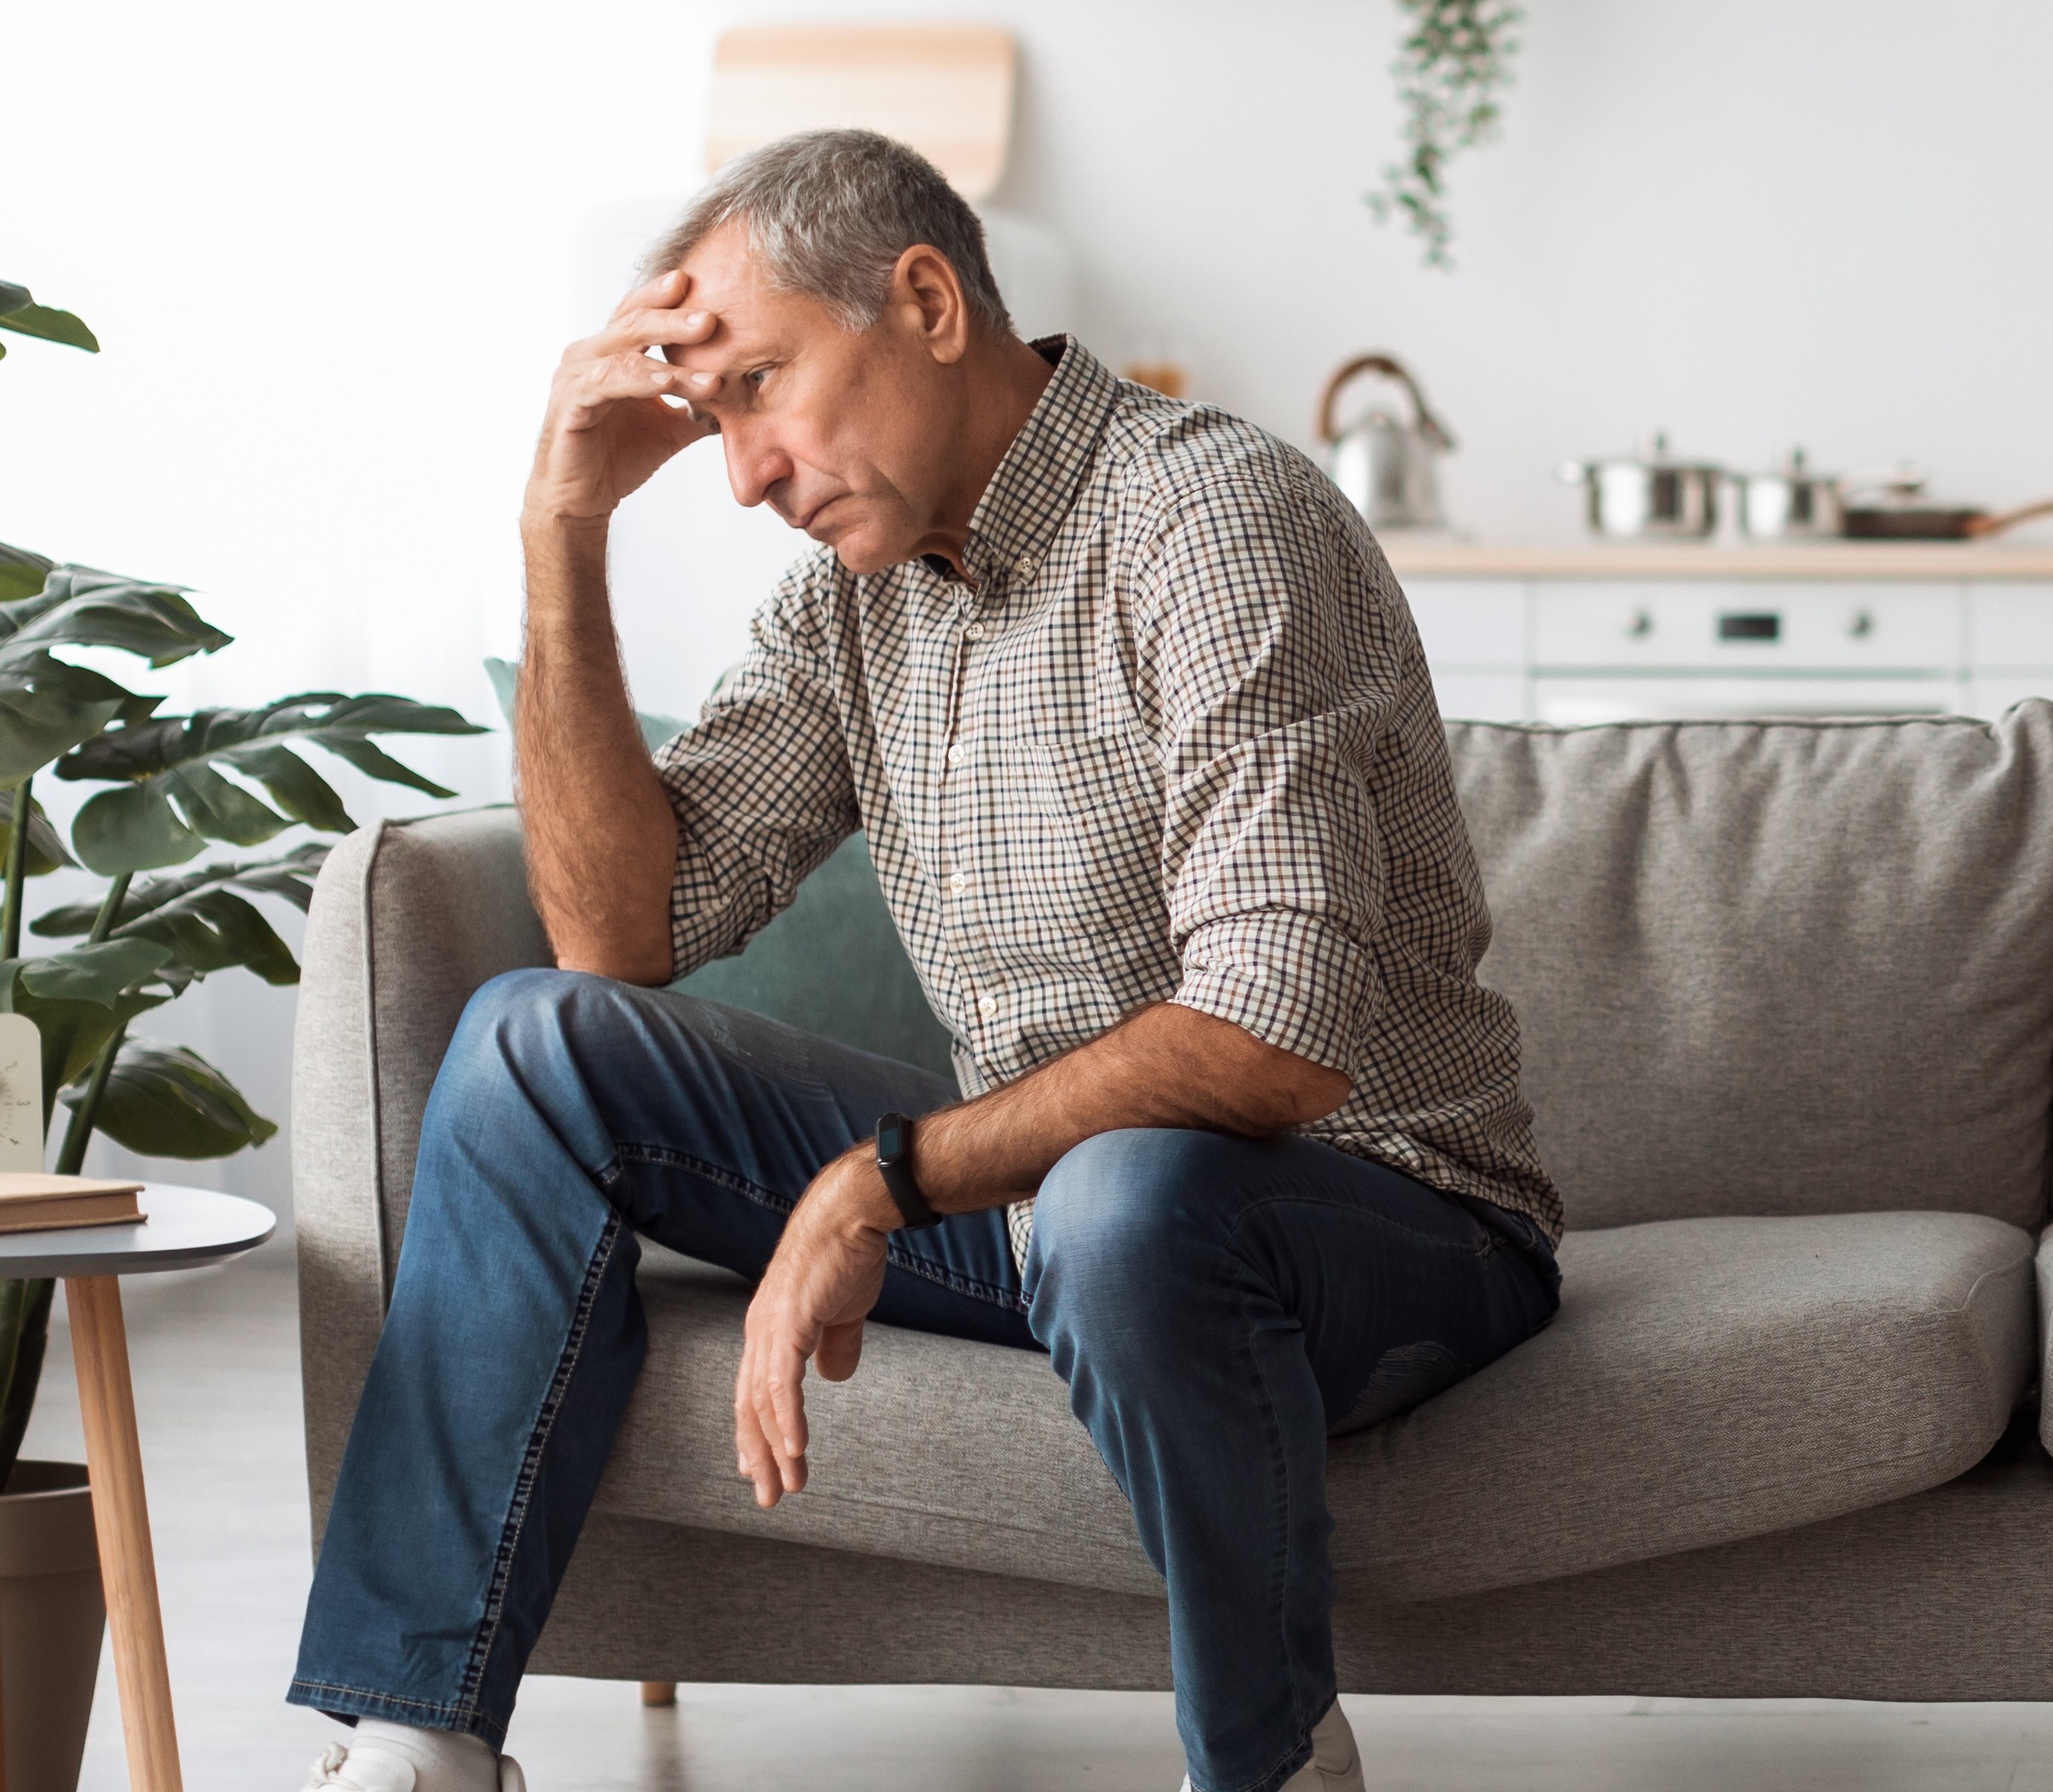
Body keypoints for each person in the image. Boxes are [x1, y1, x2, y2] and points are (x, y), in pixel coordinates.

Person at [284, 129, 1560, 1792]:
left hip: (1376, 1213)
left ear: (927, 302)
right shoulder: (853, 604)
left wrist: (879, 1183)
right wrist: (562, 528)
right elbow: (620, 936)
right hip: (1052, 1218)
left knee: (1127, 1198)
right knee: (541, 1043)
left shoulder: (1212, 519)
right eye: (714, 415)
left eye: (757, 386)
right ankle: (420, 1745)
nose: (740, 471)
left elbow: (1271, 1037)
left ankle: (1268, 1761)